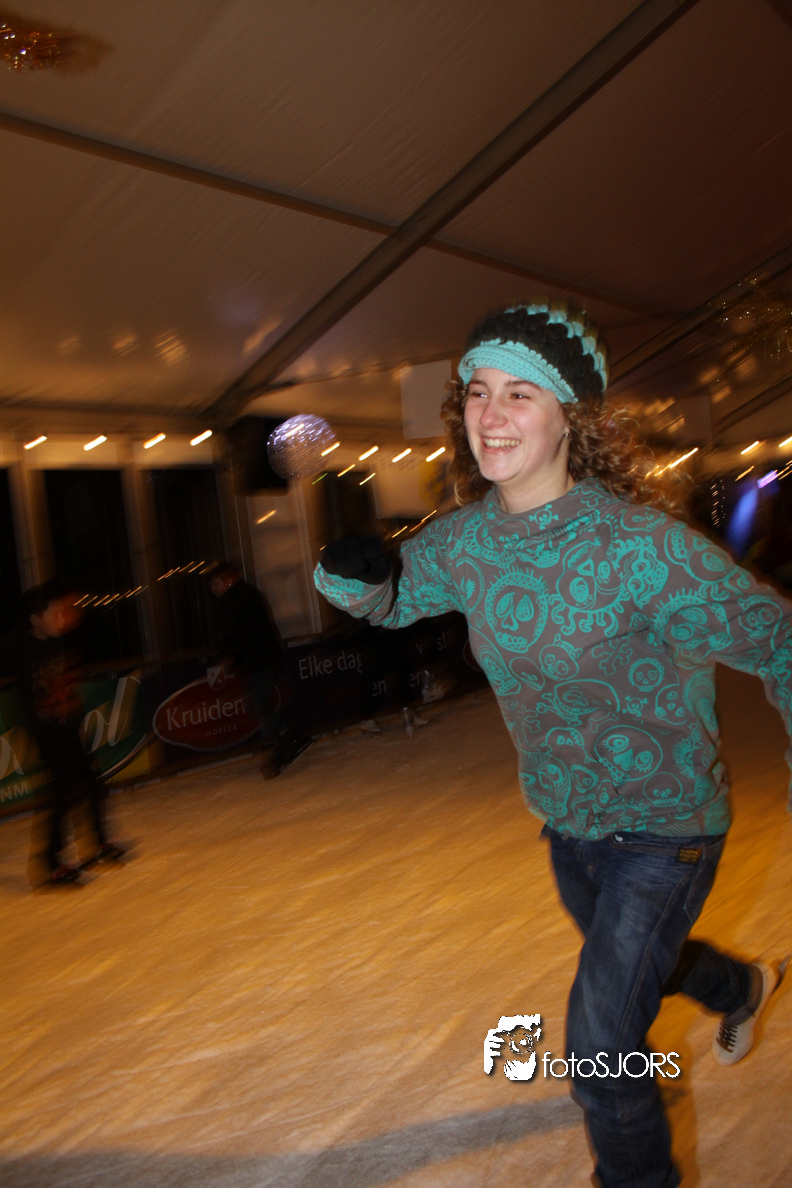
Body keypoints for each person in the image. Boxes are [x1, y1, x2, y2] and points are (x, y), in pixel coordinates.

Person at [313, 302, 792, 1188]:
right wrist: (357, 577)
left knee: (601, 1049)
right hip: (569, 826)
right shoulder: (466, 541)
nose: (490, 415)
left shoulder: (642, 549)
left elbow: (778, 638)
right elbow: (394, 598)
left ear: (570, 416)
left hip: (667, 827)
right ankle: (741, 988)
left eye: (520, 393)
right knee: (643, 968)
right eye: (477, 392)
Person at [1, 579, 124, 884]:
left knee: (91, 783)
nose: (62, 619)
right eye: (54, 614)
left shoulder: (60, 641)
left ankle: (98, 844)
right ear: (35, 619)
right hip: (44, 732)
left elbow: (64, 677)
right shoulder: (16, 646)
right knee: (60, 792)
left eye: (62, 613)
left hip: (67, 725)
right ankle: (48, 863)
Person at [207, 561, 312, 776]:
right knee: (256, 705)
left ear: (228, 581)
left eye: (216, 583)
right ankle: (282, 736)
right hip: (253, 661)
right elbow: (234, 634)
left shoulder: (240, 599)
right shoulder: (236, 599)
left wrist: (229, 656)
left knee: (259, 704)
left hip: (258, 660)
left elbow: (244, 633)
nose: (213, 588)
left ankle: (280, 740)